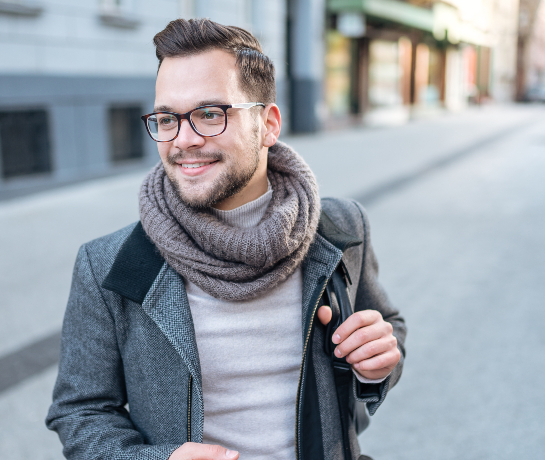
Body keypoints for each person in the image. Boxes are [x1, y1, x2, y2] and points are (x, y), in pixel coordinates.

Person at [46, 18, 406, 460]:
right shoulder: (109, 266)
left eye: (209, 114)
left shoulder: (339, 229)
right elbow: (80, 412)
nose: (184, 140)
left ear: (268, 125)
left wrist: (378, 364)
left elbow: (387, 327)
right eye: (166, 118)